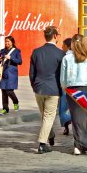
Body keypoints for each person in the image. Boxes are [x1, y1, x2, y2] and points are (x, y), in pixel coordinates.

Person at [61, 34, 87, 155]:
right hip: (85, 89)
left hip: (71, 90)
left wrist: (65, 89)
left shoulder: (66, 58)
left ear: (72, 44)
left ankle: (78, 145)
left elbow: (63, 79)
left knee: (76, 118)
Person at [29, 26, 65, 154]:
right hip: (53, 89)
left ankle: (50, 136)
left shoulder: (36, 52)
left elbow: (31, 73)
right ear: (55, 36)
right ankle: (42, 143)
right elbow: (63, 74)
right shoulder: (61, 54)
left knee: (44, 116)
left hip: (38, 88)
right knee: (48, 117)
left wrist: (34, 85)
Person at [0, 36, 22, 115]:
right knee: (3, 91)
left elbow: (20, 61)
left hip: (12, 74)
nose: (6, 43)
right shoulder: (2, 51)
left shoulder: (16, 51)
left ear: (12, 42)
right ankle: (5, 109)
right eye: (5, 41)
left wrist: (11, 58)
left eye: (8, 41)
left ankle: (16, 102)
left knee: (9, 90)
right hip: (3, 73)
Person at [59, 38, 73, 135]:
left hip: (66, 86)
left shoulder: (65, 57)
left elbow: (62, 74)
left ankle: (66, 125)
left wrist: (62, 86)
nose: (62, 47)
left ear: (68, 46)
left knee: (63, 107)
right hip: (77, 86)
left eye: (63, 45)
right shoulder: (80, 56)